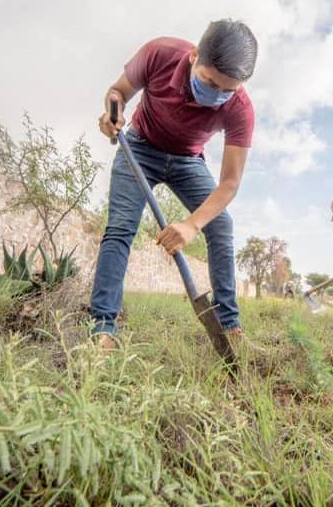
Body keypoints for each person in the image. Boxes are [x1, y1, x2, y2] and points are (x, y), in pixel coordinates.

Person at [92, 20, 258, 350]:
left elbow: (229, 183)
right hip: (139, 146)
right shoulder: (160, 53)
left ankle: (231, 329)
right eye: (210, 83)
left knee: (220, 224)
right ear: (195, 56)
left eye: (228, 90)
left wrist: (192, 225)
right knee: (121, 227)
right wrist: (113, 112)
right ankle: (103, 329)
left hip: (188, 161)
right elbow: (118, 92)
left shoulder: (240, 108)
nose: (218, 97)